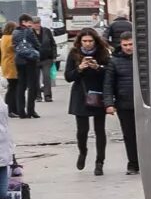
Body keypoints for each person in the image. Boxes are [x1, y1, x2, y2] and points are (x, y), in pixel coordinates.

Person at [66, 28, 112, 175]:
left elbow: (109, 74)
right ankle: (83, 152)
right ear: (80, 42)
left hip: (98, 94)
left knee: (100, 130)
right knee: (82, 130)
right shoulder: (74, 54)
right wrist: (80, 68)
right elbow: (68, 76)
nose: (87, 44)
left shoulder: (102, 53)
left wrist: (97, 67)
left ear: (95, 41)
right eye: (84, 41)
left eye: (90, 41)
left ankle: (100, 162)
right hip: (81, 94)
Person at [107, 31, 139, 174]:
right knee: (129, 135)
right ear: (120, 44)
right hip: (124, 104)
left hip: (145, 104)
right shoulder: (114, 61)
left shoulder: (143, 58)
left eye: (131, 44)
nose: (128, 47)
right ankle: (133, 163)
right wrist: (109, 103)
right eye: (125, 45)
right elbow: (108, 84)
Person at [11, 16, 43, 119]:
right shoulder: (29, 32)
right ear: (23, 22)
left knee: (21, 86)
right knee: (32, 86)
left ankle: (21, 111)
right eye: (29, 22)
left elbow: (14, 46)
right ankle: (31, 110)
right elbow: (37, 44)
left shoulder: (15, 32)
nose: (31, 24)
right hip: (30, 61)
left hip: (19, 61)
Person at [36, 17, 57, 103]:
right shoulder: (30, 33)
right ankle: (38, 96)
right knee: (36, 78)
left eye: (38, 23)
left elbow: (53, 44)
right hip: (35, 59)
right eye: (35, 23)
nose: (36, 25)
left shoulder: (46, 31)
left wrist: (54, 55)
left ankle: (47, 96)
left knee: (46, 77)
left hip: (46, 59)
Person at [2, 21, 17, 118]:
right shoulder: (10, 38)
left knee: (12, 87)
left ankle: (12, 108)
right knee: (13, 88)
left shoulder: (3, 37)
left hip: (6, 64)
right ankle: (10, 109)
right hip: (11, 65)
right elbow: (13, 49)